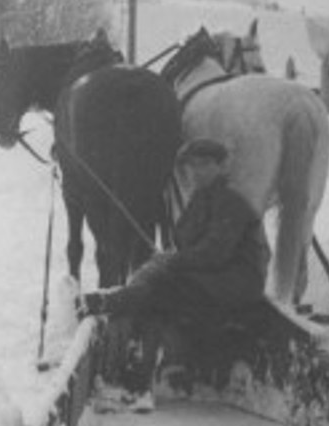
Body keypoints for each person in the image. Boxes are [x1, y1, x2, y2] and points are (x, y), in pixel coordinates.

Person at [81, 137, 270, 402]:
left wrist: (173, 262)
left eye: (205, 165)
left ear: (221, 167)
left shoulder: (232, 201)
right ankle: (139, 383)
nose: (196, 172)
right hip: (212, 277)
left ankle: (108, 304)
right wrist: (170, 258)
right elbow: (186, 240)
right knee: (158, 298)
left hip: (237, 283)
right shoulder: (201, 198)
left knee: (161, 289)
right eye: (192, 166)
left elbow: (215, 252)